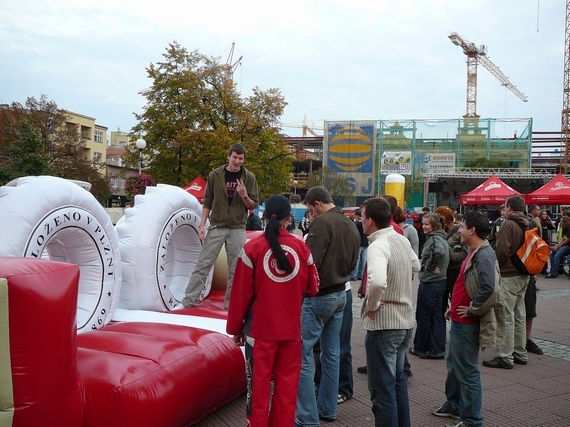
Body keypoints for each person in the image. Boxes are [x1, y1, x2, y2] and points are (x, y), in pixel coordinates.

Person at [226, 195, 319, 427]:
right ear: (289, 217)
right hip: (290, 332)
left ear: (265, 216)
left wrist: (235, 328)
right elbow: (314, 287)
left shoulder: (252, 248)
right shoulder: (302, 247)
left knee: (257, 391)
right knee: (287, 391)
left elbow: (240, 294)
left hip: (259, 333)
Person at [432, 211, 504, 427]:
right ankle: (454, 406)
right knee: (455, 366)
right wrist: (454, 308)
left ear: (472, 230)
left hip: (467, 324)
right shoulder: (476, 251)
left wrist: (472, 309)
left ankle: (472, 419)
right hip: (460, 319)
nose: (459, 230)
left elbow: (490, 288)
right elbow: (469, 285)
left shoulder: (483, 254)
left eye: (462, 226)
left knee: (467, 371)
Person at [295, 186, 360, 427]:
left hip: (319, 296)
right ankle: (327, 408)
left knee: (301, 355)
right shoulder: (351, 223)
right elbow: (354, 263)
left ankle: (307, 417)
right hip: (341, 293)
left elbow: (309, 262)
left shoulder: (322, 224)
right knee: (332, 354)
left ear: (317, 204)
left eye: (310, 210)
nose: (310, 214)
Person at [360, 197, 420, 427]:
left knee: (381, 391)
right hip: (405, 320)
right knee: (397, 384)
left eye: (363, 217)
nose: (361, 221)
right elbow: (416, 265)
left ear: (371, 221)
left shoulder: (377, 245)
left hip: (384, 324)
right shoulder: (401, 240)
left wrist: (372, 306)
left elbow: (376, 283)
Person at [181, 143, 259, 310]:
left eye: (240, 158)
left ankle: (230, 305)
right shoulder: (215, 175)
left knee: (235, 270)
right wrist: (202, 225)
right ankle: (188, 301)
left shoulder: (249, 178)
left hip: (238, 227)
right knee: (203, 264)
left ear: (244, 160)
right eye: (235, 157)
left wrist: (244, 195)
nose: (237, 161)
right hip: (217, 225)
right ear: (228, 157)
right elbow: (207, 201)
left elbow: (252, 205)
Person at [483, 194, 529, 369]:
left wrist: (496, 267)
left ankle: (506, 356)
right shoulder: (528, 223)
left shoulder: (507, 224)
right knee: (519, 314)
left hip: (509, 274)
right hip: (524, 273)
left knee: (505, 316)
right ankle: (520, 352)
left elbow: (501, 251)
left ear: (509, 207)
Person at [409, 213, 450, 359]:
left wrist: (429, 266)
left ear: (435, 226)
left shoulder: (434, 239)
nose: (424, 226)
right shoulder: (442, 238)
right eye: (424, 223)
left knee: (424, 316)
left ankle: (421, 347)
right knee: (437, 316)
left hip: (431, 282)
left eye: (427, 224)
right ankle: (436, 349)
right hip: (439, 282)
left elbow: (439, 252)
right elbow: (447, 254)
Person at [350, 209, 368, 280]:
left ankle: (353, 275)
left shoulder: (356, 224)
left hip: (359, 243)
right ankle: (361, 274)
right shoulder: (365, 223)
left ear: (357, 215)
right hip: (366, 242)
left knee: (357, 259)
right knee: (363, 259)